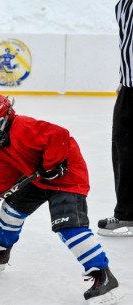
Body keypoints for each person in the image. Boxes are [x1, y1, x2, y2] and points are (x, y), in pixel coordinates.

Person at [0, 92, 123, 304]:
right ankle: (2, 252)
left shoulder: (23, 126)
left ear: (1, 118)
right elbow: (2, 176)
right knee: (11, 208)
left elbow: (59, 135)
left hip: (67, 178)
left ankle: (103, 275)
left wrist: (51, 164)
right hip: (38, 179)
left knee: (68, 227)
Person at [97, 0, 133, 237]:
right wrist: (123, 77)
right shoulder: (122, 5)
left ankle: (127, 213)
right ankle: (127, 213)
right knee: (122, 148)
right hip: (130, 85)